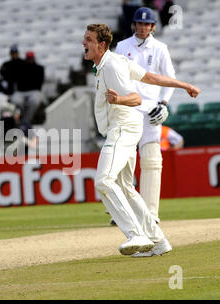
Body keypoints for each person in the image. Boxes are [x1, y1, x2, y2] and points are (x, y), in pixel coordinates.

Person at [83, 24, 200, 257]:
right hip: (127, 128)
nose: (83, 43)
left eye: (89, 39)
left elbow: (136, 98)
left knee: (104, 180)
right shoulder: (113, 63)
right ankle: (159, 241)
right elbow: (151, 77)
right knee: (126, 188)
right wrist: (184, 85)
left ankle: (136, 234)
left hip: (123, 128)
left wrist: (119, 101)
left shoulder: (112, 65)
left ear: (102, 44)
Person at [115, 7, 176, 223]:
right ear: (134, 25)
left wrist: (163, 103)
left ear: (152, 26)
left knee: (151, 161)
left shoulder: (160, 48)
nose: (142, 28)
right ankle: (123, 211)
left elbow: (169, 78)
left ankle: (150, 214)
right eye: (139, 24)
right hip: (128, 109)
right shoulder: (122, 47)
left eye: (146, 24)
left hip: (151, 110)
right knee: (123, 159)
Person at [9, 51, 45, 124]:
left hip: (34, 91)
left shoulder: (39, 68)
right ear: (26, 59)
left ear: (34, 58)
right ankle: (21, 117)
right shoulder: (20, 68)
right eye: (28, 58)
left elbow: (40, 83)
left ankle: (27, 120)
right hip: (21, 91)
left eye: (31, 58)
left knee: (34, 101)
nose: (30, 60)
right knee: (16, 101)